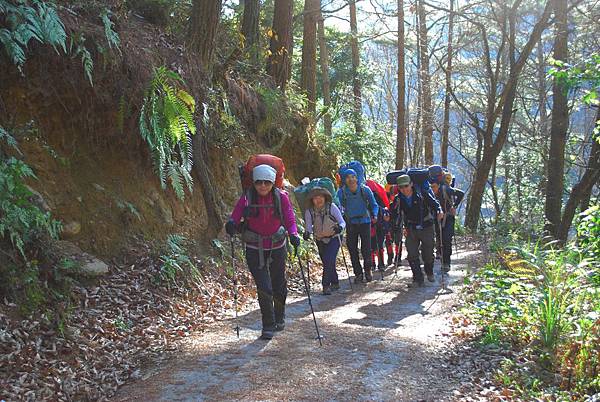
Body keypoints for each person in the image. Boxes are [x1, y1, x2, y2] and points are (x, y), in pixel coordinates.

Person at [225, 164, 300, 340]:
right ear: (254, 183)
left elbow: (289, 217)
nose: (263, 186)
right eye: (259, 182)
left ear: (273, 183)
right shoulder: (247, 197)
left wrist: (294, 234)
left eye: (267, 182)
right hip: (254, 247)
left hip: (277, 246)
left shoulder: (281, 197)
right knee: (264, 287)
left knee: (278, 283)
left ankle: (279, 316)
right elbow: (236, 214)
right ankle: (268, 324)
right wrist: (231, 224)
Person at [393, 174, 443, 286]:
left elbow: (435, 204)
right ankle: (418, 278)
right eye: (401, 187)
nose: (404, 189)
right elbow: (393, 211)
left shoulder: (422, 194)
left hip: (427, 226)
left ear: (411, 184)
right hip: (411, 228)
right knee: (412, 253)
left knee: (428, 252)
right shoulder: (399, 199)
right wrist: (387, 215)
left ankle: (429, 272)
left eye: (406, 186)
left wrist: (440, 211)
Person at [336, 169, 379, 283]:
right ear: (344, 180)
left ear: (357, 178)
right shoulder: (341, 192)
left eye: (353, 176)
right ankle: (358, 273)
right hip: (351, 223)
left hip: (365, 221)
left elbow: (374, 204)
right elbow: (337, 206)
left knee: (366, 248)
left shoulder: (365, 190)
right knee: (352, 248)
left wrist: (375, 214)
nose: (351, 179)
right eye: (348, 177)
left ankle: (368, 270)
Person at [302, 187, 346, 295]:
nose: (318, 199)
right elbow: (308, 227)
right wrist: (307, 233)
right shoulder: (309, 212)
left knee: (329, 260)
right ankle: (335, 282)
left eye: (320, 197)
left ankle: (326, 285)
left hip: (334, 238)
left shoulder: (332, 207)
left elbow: (342, 222)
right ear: (312, 200)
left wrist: (340, 228)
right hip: (320, 240)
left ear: (325, 197)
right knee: (327, 262)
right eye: (315, 197)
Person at [430, 174, 464, 272]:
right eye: (431, 187)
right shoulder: (429, 193)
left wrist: (455, 206)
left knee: (447, 240)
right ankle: (441, 256)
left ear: (439, 185)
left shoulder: (446, 190)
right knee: (440, 238)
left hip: (448, 218)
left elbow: (461, 193)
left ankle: (446, 263)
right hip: (437, 218)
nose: (432, 189)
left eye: (434, 187)